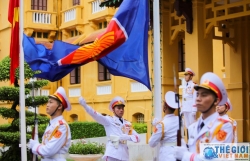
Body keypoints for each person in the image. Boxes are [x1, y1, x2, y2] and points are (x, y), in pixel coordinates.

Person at [174, 72, 234, 161]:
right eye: (197, 94)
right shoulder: (193, 127)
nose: (198, 98)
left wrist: (185, 155)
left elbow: (213, 158)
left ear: (216, 101)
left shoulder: (224, 126)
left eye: (204, 95)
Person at [79, 96, 140, 161]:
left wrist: (127, 137)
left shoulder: (127, 123)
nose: (121, 110)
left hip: (124, 156)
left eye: (122, 108)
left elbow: (138, 138)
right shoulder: (109, 120)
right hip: (112, 155)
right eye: (118, 108)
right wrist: (86, 106)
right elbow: (96, 115)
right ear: (113, 110)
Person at [29, 87, 72, 161]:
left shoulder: (61, 126)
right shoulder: (53, 124)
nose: (47, 105)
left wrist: (35, 146)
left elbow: (49, 151)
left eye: (51, 102)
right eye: (48, 102)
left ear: (60, 106)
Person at [148, 91, 180, 161]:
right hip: (178, 154)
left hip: (167, 156)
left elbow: (151, 143)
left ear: (165, 107)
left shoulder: (161, 125)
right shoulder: (180, 120)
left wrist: (155, 127)